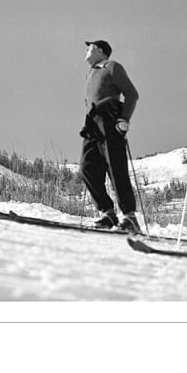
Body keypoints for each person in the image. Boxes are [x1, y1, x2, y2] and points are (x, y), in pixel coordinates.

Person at [80, 40, 141, 232]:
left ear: (99, 50)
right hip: (93, 122)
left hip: (109, 117)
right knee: (87, 167)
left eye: (89, 48)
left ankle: (130, 217)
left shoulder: (112, 66)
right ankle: (108, 212)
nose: (86, 51)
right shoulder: (91, 72)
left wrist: (124, 119)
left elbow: (132, 93)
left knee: (115, 166)